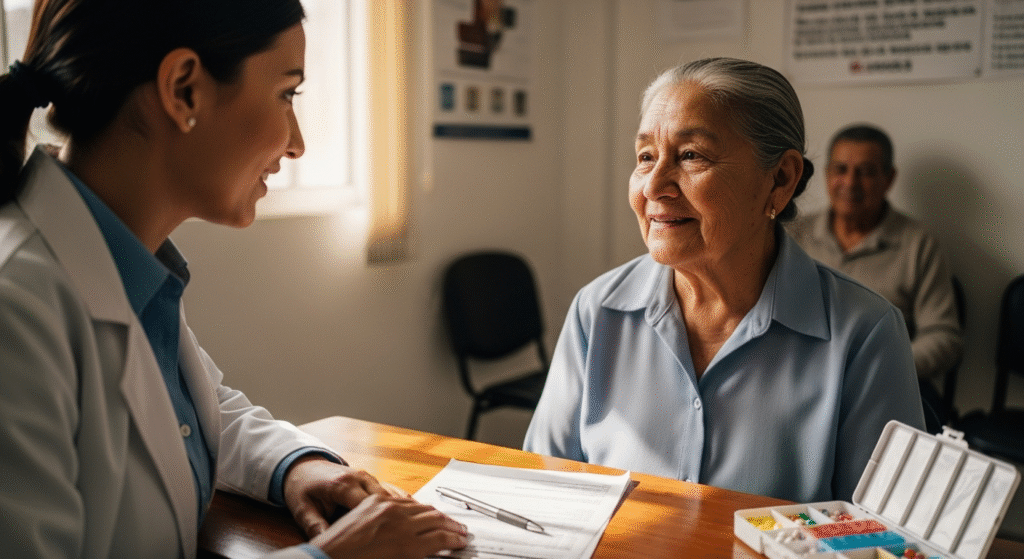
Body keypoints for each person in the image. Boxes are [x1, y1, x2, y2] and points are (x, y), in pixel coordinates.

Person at [0, 1, 467, 558]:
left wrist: (298, 467)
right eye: (285, 93)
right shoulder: (18, 310)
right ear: (184, 90)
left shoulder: (118, 263)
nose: (296, 143)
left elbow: (187, 417)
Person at [522, 58, 925, 504]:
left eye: (691, 155)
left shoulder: (865, 333)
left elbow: (888, 539)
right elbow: (545, 492)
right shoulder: (597, 310)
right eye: (645, 157)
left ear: (781, 179)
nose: (654, 185)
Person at [787, 125, 963, 428]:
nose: (850, 182)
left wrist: (882, 365)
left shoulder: (917, 243)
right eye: (841, 169)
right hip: (801, 381)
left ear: (889, 178)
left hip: (888, 384)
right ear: (827, 174)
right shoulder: (792, 234)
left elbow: (943, 336)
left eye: (866, 171)